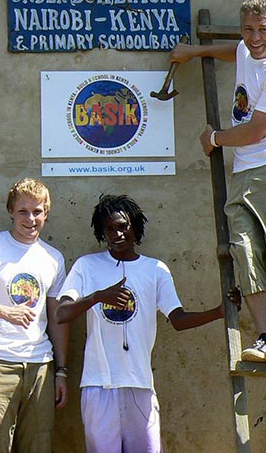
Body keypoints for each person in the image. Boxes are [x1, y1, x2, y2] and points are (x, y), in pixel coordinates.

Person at [170, 0, 266, 365]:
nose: (254, 37)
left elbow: (255, 132)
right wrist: (194, 52)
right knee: (245, 252)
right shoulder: (248, 51)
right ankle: (263, 337)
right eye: (248, 29)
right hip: (245, 172)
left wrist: (213, 138)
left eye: (263, 29)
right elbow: (233, 52)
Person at [55, 194, 241, 453]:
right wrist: (99, 297)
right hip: (98, 386)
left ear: (136, 227)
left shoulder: (156, 270)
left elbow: (178, 320)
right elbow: (61, 314)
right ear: (101, 232)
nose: (117, 234)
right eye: (109, 228)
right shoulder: (87, 266)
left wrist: (220, 311)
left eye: (123, 226)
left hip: (140, 385)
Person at [0, 177, 68, 453]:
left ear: (46, 212)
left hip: (40, 365)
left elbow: (57, 318)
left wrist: (62, 371)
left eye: (37, 211)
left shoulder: (54, 258)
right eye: (23, 211)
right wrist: (5, 312)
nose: (30, 219)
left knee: (39, 447)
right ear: (10, 211)